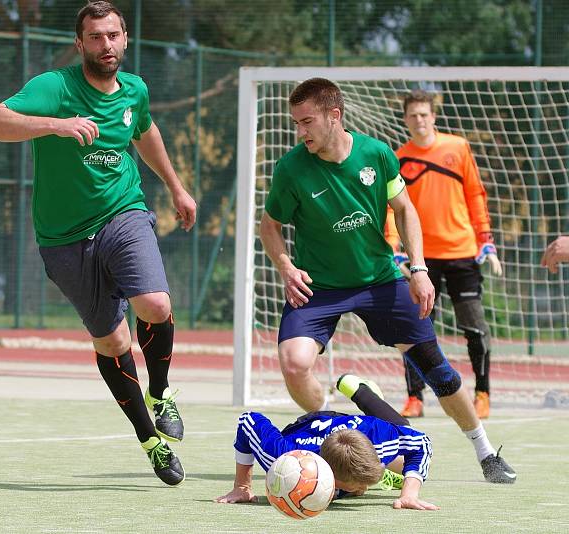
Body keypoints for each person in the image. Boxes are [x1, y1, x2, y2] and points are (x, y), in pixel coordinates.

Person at [256, 77, 515, 484]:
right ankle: (331, 438)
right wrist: (286, 267)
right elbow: (269, 225)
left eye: (307, 121)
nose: (300, 131)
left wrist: (419, 268)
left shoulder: (376, 155)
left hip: (379, 280)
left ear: (334, 116)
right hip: (319, 287)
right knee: (294, 363)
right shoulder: (291, 168)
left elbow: (405, 210)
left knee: (439, 371)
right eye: (296, 123)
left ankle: (485, 452)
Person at [0, 1, 196, 486]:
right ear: (80, 44)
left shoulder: (135, 89)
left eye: (114, 35)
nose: (107, 45)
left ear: (125, 38)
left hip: (123, 212)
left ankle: (161, 394)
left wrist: (176, 186)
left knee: (155, 303)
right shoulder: (53, 87)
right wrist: (55, 124)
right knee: (112, 339)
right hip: (63, 239)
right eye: (96, 37)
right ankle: (150, 441)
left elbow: (144, 131)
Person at [385, 90, 501, 419]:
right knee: (414, 329)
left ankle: (482, 392)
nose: (419, 120)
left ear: (433, 116)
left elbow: (476, 194)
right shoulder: (398, 157)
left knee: (474, 326)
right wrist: (394, 245)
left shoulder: (458, 147)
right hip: (421, 259)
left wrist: (485, 240)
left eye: (424, 114)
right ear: (405, 120)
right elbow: (392, 208)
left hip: (462, 252)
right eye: (413, 115)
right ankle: (415, 397)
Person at [215, 375, 439, 510]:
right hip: (311, 425)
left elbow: (422, 443)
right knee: (392, 468)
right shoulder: (284, 458)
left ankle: (362, 392)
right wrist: (242, 487)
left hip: (361, 426)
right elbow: (248, 420)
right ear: (332, 476)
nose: (364, 488)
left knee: (405, 442)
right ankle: (382, 475)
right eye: (358, 484)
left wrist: (410, 494)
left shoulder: (378, 438)